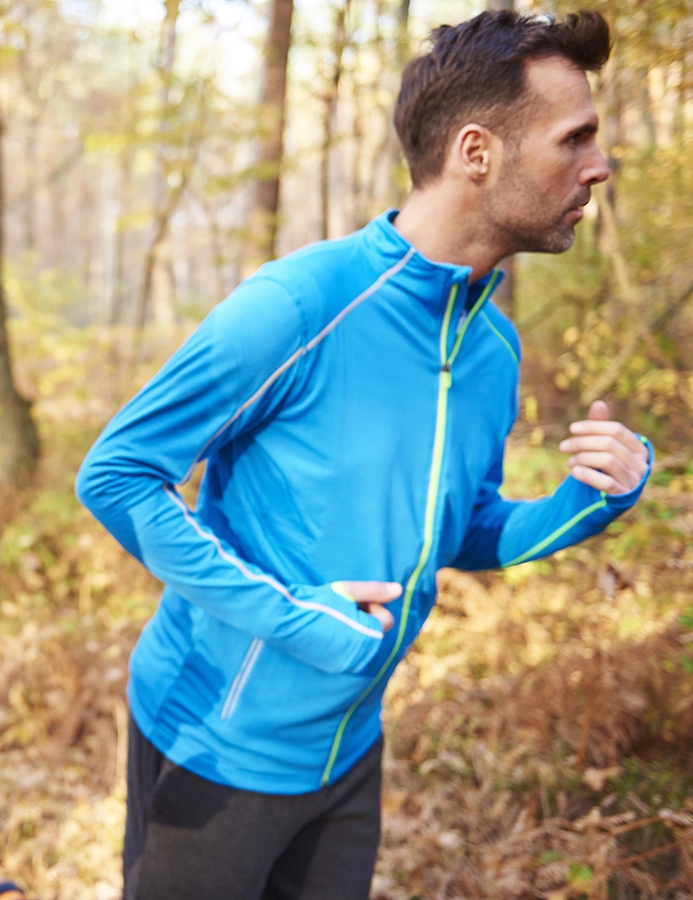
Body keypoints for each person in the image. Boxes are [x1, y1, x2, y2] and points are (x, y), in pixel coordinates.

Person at [75, 10, 651, 900]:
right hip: (215, 741)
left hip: (349, 755)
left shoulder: (492, 350)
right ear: (476, 152)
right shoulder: (304, 303)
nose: (598, 165)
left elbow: (454, 529)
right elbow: (116, 474)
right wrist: (302, 621)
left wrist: (590, 500)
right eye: (574, 138)